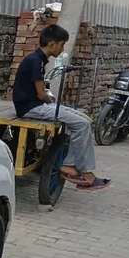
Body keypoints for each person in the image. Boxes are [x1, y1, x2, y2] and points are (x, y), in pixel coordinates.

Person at [12, 24, 110, 190]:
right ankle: (73, 167)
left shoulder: (37, 60)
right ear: (52, 44)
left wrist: (48, 98)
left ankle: (76, 164)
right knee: (82, 124)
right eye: (62, 44)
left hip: (35, 104)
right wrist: (49, 98)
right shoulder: (35, 61)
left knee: (84, 118)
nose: (62, 48)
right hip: (31, 108)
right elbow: (41, 93)